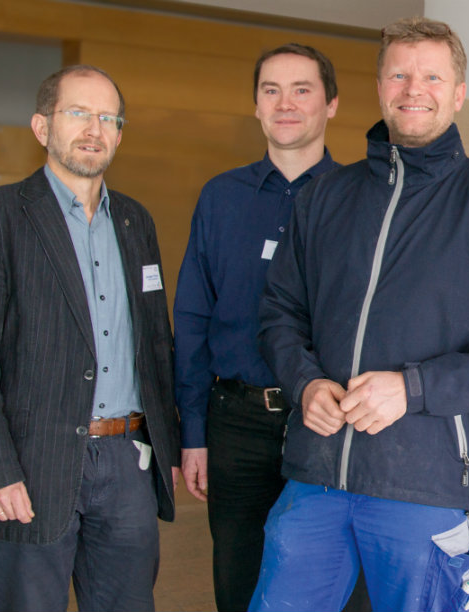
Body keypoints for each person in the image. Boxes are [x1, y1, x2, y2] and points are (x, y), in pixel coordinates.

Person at [252, 16, 469, 612]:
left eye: (432, 76)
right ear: (380, 87)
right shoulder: (324, 197)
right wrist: (305, 381)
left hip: (423, 485)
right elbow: (280, 312)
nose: (414, 88)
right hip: (315, 477)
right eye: (399, 74)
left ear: (459, 94)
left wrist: (411, 389)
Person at [0, 65, 179, 612]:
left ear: (120, 134)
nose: (93, 128)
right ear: (41, 126)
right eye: (77, 113)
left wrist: (166, 443)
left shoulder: (135, 221)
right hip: (32, 464)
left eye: (108, 117)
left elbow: (154, 347)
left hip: (128, 462)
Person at [172, 43, 340, 612]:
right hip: (236, 425)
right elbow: (192, 319)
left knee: (328, 586)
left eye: (302, 90)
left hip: (329, 426)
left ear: (331, 104)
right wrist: (192, 432)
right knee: (239, 584)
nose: (286, 103)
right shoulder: (221, 198)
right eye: (271, 90)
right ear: (256, 107)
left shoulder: (361, 197)